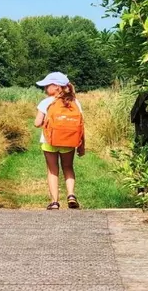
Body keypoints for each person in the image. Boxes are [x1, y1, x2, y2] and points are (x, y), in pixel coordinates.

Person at [34, 71, 85, 210]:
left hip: (49, 142)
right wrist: (82, 145)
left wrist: (45, 120)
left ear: (56, 86)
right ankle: (71, 195)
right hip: (69, 142)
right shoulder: (74, 102)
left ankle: (55, 202)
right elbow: (80, 124)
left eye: (47, 85)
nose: (45, 89)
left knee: (52, 171)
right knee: (68, 167)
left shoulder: (46, 102)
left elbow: (37, 123)